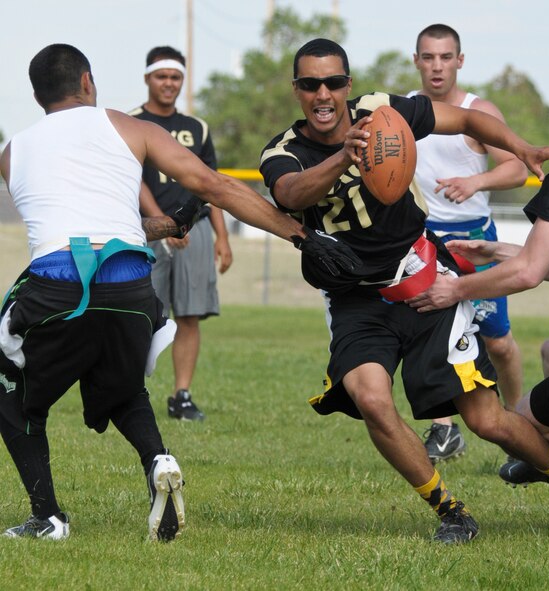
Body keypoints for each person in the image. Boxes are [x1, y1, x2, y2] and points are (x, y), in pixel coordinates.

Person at [259, 37, 549, 543]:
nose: (323, 94)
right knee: (370, 398)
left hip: (422, 276)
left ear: (348, 84)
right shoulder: (283, 151)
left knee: (488, 421)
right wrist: (345, 156)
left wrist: (519, 146)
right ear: (296, 90)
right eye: (309, 84)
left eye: (334, 82)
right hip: (356, 298)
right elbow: (289, 193)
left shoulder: (381, 111)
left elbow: (469, 120)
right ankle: (451, 510)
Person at [0, 43, 359, 541]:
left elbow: (75, 232)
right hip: (130, 287)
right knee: (123, 386)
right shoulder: (133, 129)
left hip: (58, 287)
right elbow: (217, 188)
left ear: (38, 95)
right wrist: (302, 236)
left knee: (11, 393)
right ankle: (158, 460)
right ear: (87, 81)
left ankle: (48, 517)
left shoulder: (13, 150)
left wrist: (165, 223)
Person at [409, 109, 549, 519]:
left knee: (518, 427)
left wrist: (455, 287)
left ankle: (541, 444)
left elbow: (529, 272)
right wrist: (495, 252)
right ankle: (542, 452)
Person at [408, 24, 526, 463]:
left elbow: (516, 168)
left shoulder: (480, 110)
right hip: (424, 238)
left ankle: (519, 422)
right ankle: (444, 430)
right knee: (432, 334)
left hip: (476, 237)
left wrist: (475, 180)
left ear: (460, 60)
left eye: (445, 57)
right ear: (417, 61)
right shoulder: (405, 111)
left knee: (496, 341)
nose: (436, 66)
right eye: (428, 57)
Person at [130, 46, 232, 422]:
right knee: (141, 314)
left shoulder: (196, 127)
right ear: (147, 78)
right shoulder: (131, 122)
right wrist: (162, 221)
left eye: (175, 77)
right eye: (161, 76)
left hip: (197, 231)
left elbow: (212, 185)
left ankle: (182, 396)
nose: (169, 84)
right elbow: (133, 178)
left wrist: (222, 237)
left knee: (190, 315)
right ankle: (129, 391)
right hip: (146, 233)